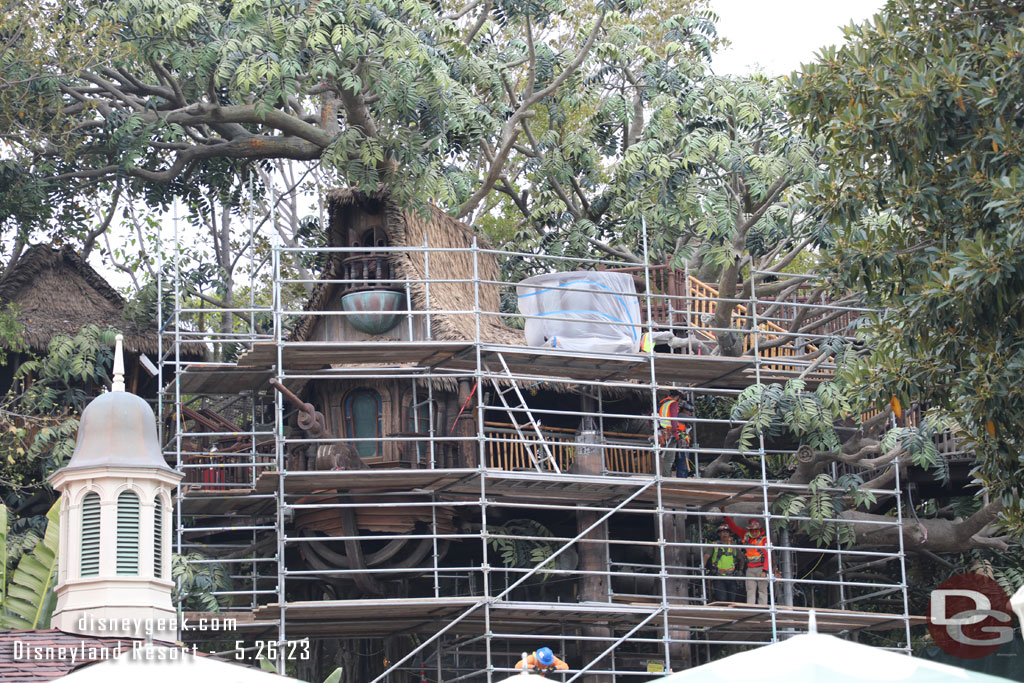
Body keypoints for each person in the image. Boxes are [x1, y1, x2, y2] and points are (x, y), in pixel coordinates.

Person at [725, 516, 777, 605]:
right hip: (750, 568)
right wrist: (725, 515)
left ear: (759, 529)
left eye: (756, 530)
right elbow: (734, 528)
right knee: (750, 590)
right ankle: (750, 608)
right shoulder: (746, 535)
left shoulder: (764, 539)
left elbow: (768, 556)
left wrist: (765, 570)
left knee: (762, 590)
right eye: (752, 530)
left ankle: (762, 609)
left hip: (761, 568)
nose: (754, 532)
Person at [703, 523, 744, 603]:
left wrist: (741, 570)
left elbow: (741, 558)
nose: (724, 534)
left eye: (726, 532)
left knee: (732, 599)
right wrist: (702, 569)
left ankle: (731, 614)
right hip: (718, 577)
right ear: (719, 534)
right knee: (722, 599)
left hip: (731, 576)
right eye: (722, 532)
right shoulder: (714, 545)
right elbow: (706, 557)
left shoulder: (733, 546)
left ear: (729, 534)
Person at [657, 391, 695, 477]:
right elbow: (673, 420)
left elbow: (652, 415)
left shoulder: (663, 403)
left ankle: (666, 477)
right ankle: (667, 478)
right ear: (677, 396)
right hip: (670, 433)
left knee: (667, 458)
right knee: (669, 459)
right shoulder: (673, 403)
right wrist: (676, 433)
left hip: (663, 432)